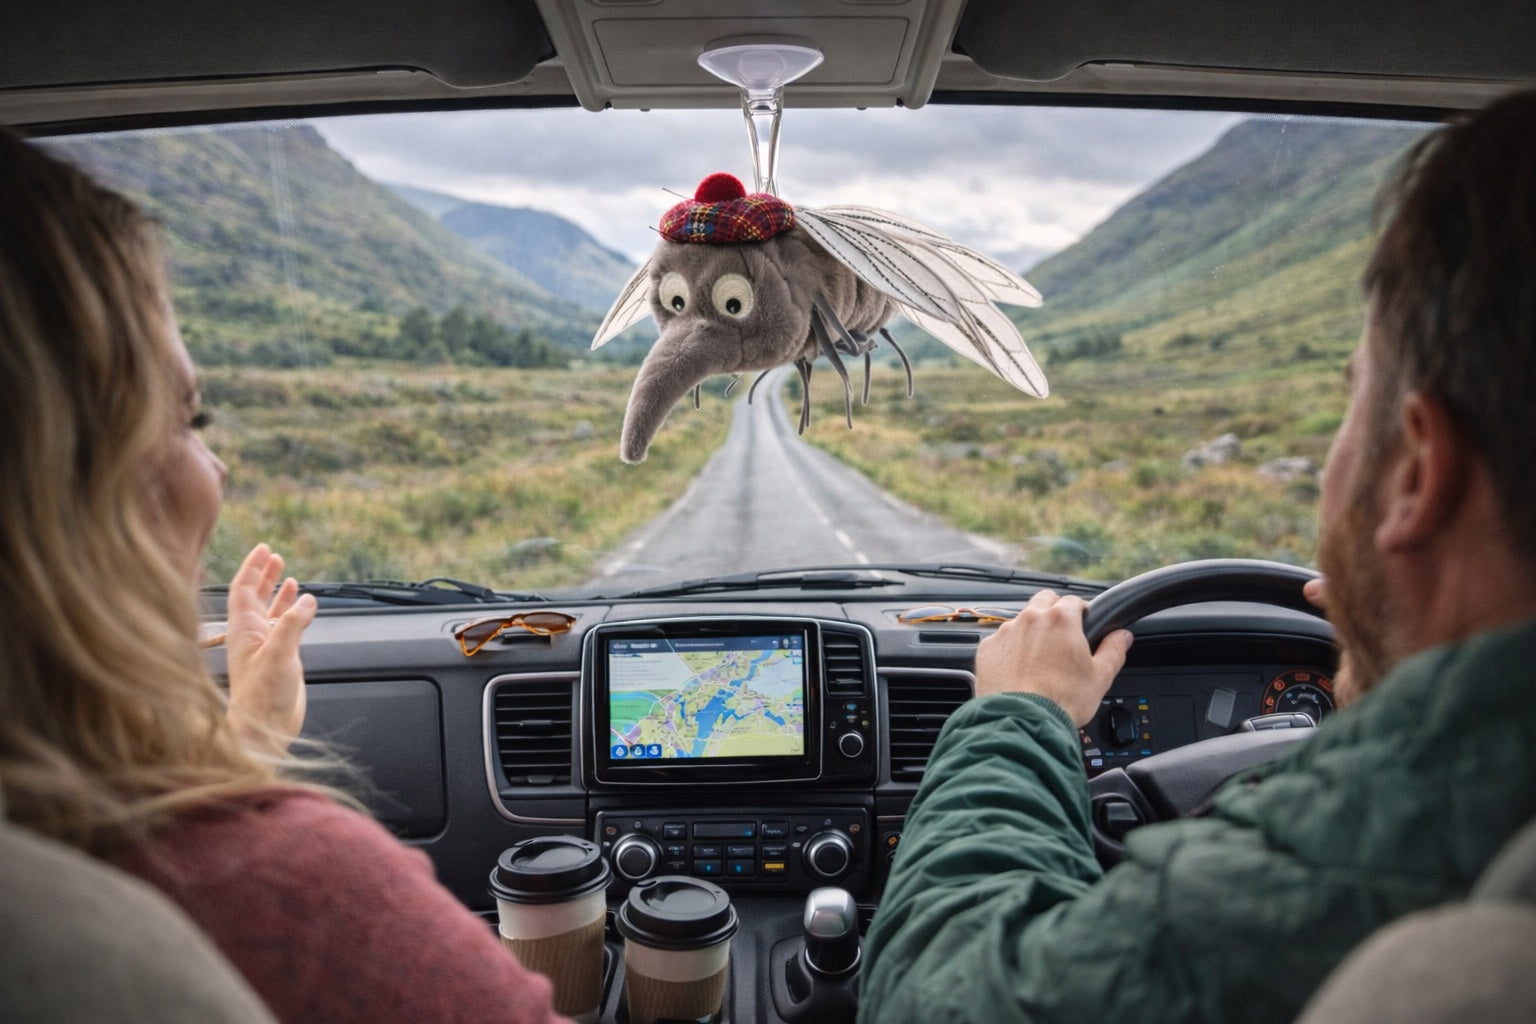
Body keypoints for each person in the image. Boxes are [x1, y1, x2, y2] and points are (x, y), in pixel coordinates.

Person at [858, 87, 1536, 1024]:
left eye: (1351, 402)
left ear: (1418, 469)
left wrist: (1017, 717)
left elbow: (946, 993)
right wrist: (1387, 708)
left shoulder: (1392, 843)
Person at [0, 127, 568, 1022]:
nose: (214, 474)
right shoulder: (294, 895)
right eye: (191, 418)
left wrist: (245, 740)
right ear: (56, 495)